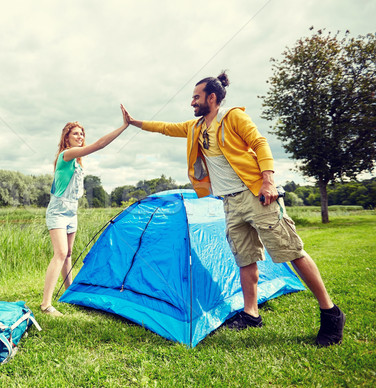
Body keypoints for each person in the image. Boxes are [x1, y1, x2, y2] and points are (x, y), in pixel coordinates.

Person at [121, 72, 345, 347]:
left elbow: (260, 143)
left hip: (256, 195)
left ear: (211, 98)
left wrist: (268, 182)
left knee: (291, 252)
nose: (192, 102)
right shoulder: (195, 128)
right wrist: (134, 123)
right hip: (229, 202)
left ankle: (330, 313)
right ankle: (251, 314)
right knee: (244, 258)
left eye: (196, 97)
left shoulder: (233, 117)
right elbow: (166, 127)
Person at [41, 105, 130, 316]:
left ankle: (70, 290)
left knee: (69, 253)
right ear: (67, 138)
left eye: (82, 134)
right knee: (61, 253)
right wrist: (124, 126)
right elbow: (99, 145)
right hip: (58, 212)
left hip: (72, 212)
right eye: (76, 134)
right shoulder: (67, 155)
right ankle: (45, 304)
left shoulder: (78, 163)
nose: (80, 137)